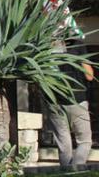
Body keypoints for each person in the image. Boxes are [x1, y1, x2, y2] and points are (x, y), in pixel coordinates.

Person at [47, 38, 94, 166]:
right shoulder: (78, 44)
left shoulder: (47, 45)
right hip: (76, 100)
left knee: (64, 143)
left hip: (54, 100)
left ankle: (66, 172)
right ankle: (76, 170)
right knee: (84, 141)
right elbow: (89, 75)